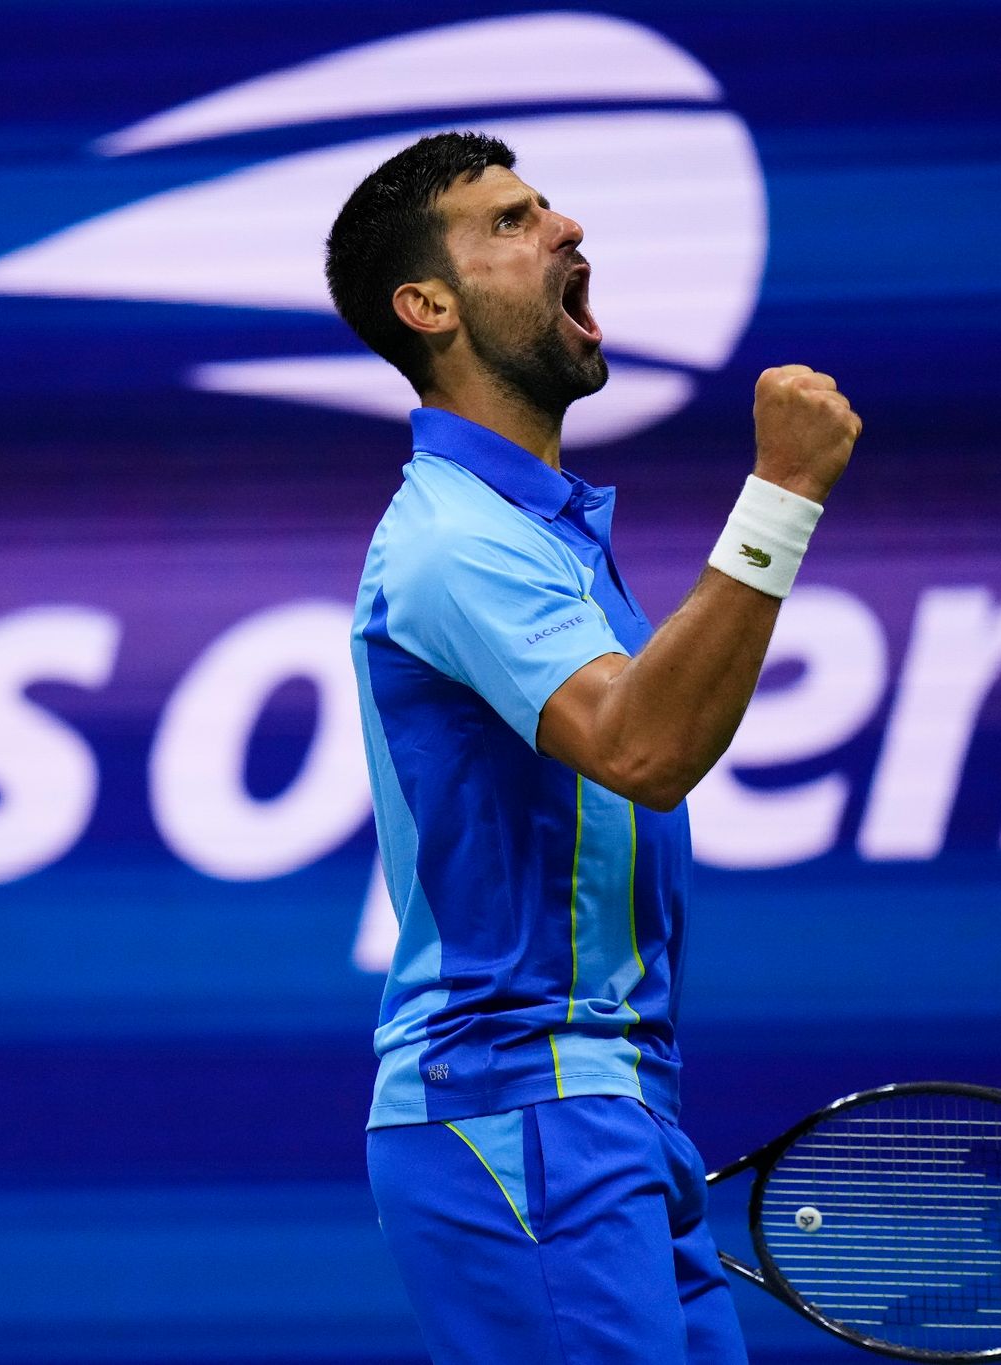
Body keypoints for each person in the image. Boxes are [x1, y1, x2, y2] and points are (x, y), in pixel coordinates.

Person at [326, 131, 861, 1364]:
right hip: (517, 1114)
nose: (565, 230)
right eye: (510, 222)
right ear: (428, 307)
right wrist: (780, 494)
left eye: (551, 208)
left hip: (611, 1113)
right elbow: (646, 747)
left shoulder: (539, 534)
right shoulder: (451, 541)